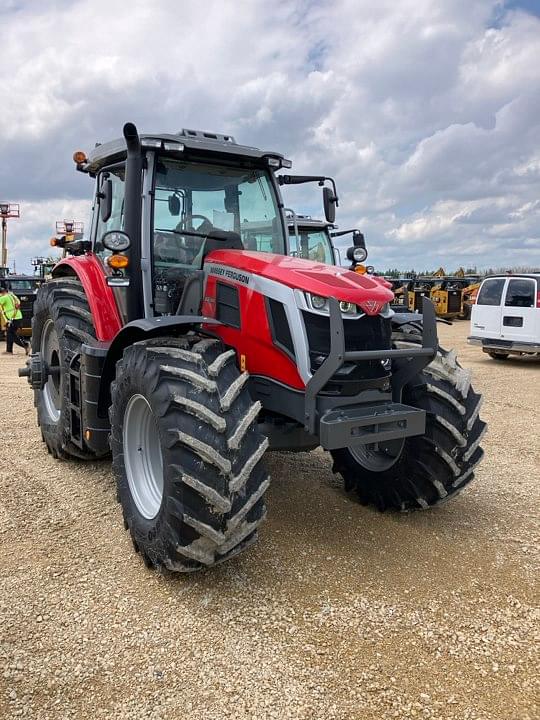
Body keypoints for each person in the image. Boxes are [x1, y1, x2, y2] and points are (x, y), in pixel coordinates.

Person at [0, 284, 30, 355]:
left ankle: (25, 345)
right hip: (17, 317)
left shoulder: (4, 298)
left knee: (12, 335)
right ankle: (9, 350)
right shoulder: (13, 296)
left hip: (13, 318)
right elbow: (18, 303)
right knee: (9, 334)